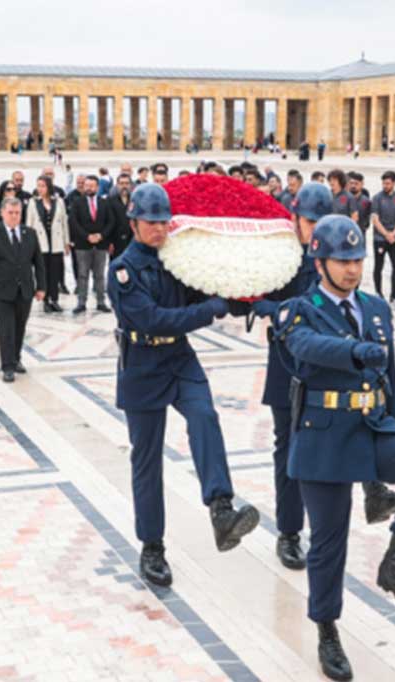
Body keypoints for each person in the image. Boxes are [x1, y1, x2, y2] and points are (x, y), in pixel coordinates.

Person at [271, 216, 395, 682]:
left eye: (358, 259)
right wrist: (351, 353)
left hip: (371, 424)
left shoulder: (376, 307)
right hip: (323, 433)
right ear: (320, 261)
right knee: (329, 543)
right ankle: (327, 630)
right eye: (343, 260)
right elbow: (304, 349)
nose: (352, 269)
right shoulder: (297, 309)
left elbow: (392, 376)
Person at [107, 182, 260, 588]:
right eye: (151, 222)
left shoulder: (178, 259)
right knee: (147, 459)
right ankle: (152, 546)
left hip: (178, 358)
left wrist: (250, 295)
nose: (159, 230)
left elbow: (210, 288)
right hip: (142, 364)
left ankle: (221, 508)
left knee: (205, 415)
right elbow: (154, 319)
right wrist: (210, 311)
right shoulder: (122, 270)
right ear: (134, 222)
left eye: (164, 222)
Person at [253, 182, 395, 570]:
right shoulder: (278, 256)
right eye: (308, 220)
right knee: (289, 450)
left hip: (338, 367)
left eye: (320, 219)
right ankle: (288, 532)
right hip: (290, 367)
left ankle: (373, 487)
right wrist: (278, 309)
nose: (314, 227)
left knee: (361, 421)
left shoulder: (333, 250)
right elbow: (254, 296)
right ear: (295, 219)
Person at [0, 197, 45, 382]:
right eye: (10, 213)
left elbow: (38, 262)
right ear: (2, 213)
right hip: (2, 289)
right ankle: (7, 366)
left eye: (17, 213)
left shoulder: (30, 233)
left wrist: (41, 286)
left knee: (19, 327)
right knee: (6, 329)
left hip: (25, 289)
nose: (14, 216)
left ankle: (16, 359)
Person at [69, 175, 114, 314]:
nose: (89, 188)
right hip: (83, 245)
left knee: (100, 275)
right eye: (86, 185)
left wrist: (101, 235)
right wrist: (87, 236)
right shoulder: (77, 202)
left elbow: (111, 221)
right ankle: (81, 302)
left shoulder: (105, 202)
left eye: (92, 186)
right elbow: (73, 222)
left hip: (101, 245)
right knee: (82, 274)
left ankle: (101, 301)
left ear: (97, 187)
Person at [27, 175, 69, 313]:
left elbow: (64, 223)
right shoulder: (33, 202)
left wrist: (66, 242)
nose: (40, 189)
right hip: (41, 243)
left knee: (55, 272)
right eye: (38, 185)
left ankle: (54, 299)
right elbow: (29, 224)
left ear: (49, 186)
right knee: (42, 273)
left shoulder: (59, 201)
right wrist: (29, 245)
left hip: (56, 242)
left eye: (43, 186)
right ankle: (45, 300)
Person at [370, 171, 395, 301]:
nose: (385, 185)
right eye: (384, 183)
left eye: (388, 183)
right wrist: (386, 234)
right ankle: (378, 292)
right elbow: (375, 219)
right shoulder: (377, 198)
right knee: (378, 265)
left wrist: (394, 233)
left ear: (394, 183)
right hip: (380, 238)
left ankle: (394, 292)